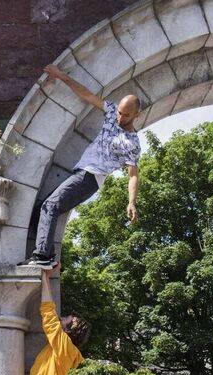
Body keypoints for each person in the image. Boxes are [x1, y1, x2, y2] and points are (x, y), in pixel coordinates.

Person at [20, 64, 143, 269]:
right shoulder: (112, 112)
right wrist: (61, 76)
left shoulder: (132, 143)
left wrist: (132, 202)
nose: (120, 118)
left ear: (137, 115)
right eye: (120, 113)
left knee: (50, 206)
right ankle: (49, 255)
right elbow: (87, 96)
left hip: (90, 179)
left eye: (126, 116)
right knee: (39, 210)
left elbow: (133, 175)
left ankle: (41, 257)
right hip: (82, 173)